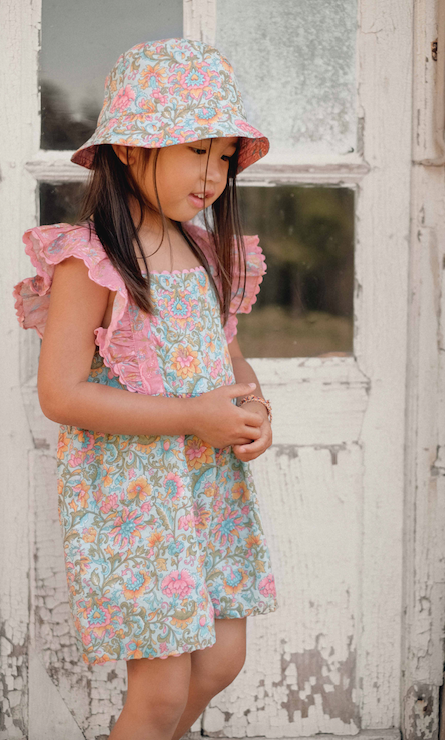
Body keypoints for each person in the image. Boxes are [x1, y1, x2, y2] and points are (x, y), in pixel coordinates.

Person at [13, 38, 278, 740]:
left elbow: (229, 359)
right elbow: (63, 395)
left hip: (207, 491)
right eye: (197, 150)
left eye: (224, 157)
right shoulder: (90, 260)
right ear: (130, 150)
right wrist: (193, 413)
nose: (214, 174)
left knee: (220, 661)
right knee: (159, 695)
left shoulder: (204, 250)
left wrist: (251, 409)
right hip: (136, 498)